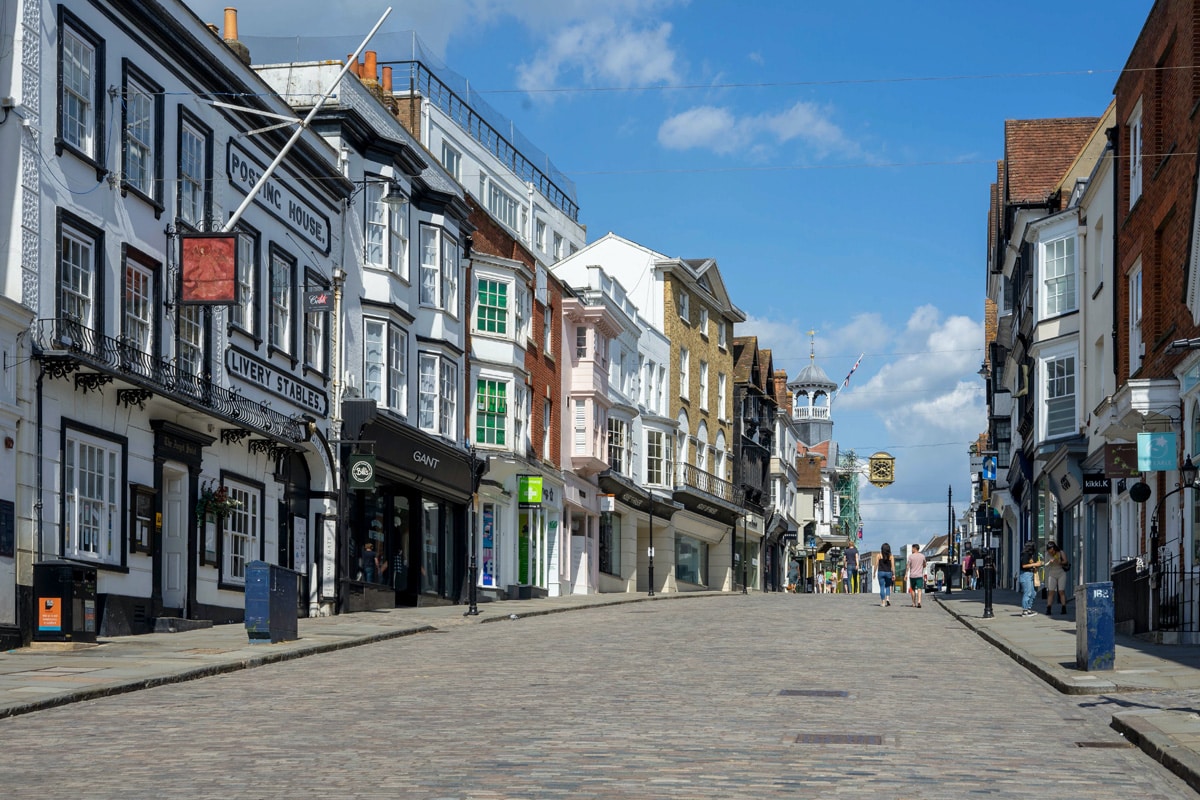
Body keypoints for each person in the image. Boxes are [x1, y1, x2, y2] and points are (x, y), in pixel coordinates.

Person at [1018, 541, 1044, 617]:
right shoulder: (1025, 554)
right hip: (1026, 575)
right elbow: (1024, 565)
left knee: (1033, 592)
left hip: (1031, 574)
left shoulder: (1030, 555)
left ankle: (1029, 608)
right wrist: (1035, 564)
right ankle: (1025, 610)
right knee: (1028, 592)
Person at [1044, 541, 1069, 615]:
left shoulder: (1060, 552)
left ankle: (1063, 607)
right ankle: (1048, 608)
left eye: (1052, 551)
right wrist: (1050, 562)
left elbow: (1065, 561)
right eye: (1049, 551)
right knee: (1051, 591)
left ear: (1054, 548)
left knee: (1061, 591)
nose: (1051, 553)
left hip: (1061, 573)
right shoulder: (1047, 555)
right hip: (1052, 574)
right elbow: (1046, 565)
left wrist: (1060, 562)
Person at [907, 544, 927, 608]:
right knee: (919, 589)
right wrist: (922, 566)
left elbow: (908, 566)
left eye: (912, 548)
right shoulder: (922, 556)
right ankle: (919, 601)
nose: (911, 550)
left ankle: (913, 603)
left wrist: (906, 574)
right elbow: (924, 564)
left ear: (915, 548)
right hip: (919, 575)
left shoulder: (910, 557)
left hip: (912, 575)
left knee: (912, 589)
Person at [875, 543, 895, 607]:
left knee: (882, 587)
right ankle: (888, 599)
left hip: (881, 572)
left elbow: (876, 565)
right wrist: (894, 574)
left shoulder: (879, 555)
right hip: (888, 573)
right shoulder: (891, 556)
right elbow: (893, 566)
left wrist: (874, 572)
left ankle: (883, 602)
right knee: (888, 586)